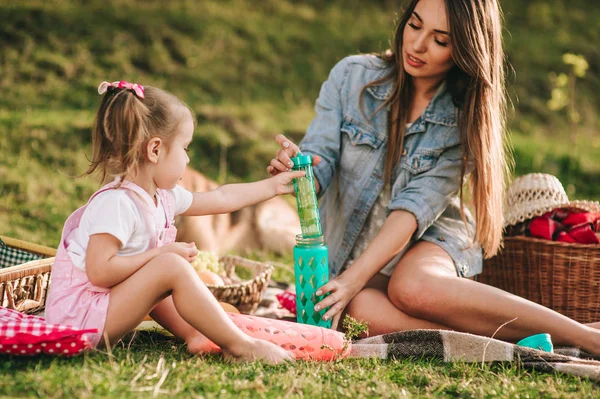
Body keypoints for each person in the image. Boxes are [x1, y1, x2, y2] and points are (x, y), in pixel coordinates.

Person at [268, 0, 600, 355]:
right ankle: (511, 345)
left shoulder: (464, 119)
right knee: (358, 310)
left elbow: (411, 213)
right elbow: (320, 157)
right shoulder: (351, 76)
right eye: (415, 25)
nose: (417, 45)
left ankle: (585, 336)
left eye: (440, 40)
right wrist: (301, 173)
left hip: (431, 235)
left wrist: (350, 280)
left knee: (411, 286)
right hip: (361, 250)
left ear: (466, 51)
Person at [45, 80, 302, 364]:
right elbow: (100, 272)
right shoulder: (116, 203)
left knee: (162, 271)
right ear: (155, 150)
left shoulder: (162, 196)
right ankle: (240, 347)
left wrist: (273, 187)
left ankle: (196, 333)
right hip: (78, 322)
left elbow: (222, 198)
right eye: (185, 148)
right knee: (168, 267)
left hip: (102, 310)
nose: (187, 159)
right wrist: (160, 255)